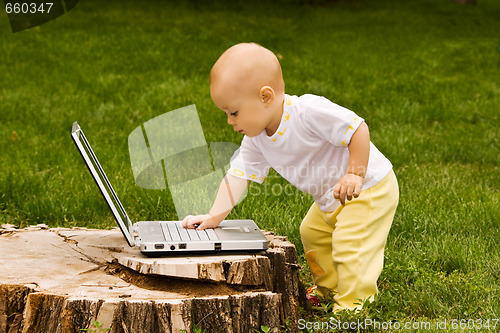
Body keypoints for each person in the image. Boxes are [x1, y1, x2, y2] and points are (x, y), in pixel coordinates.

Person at [182, 42, 399, 311]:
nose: (230, 121)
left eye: (234, 112)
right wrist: (214, 217)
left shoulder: (307, 112)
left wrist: (355, 174)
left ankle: (353, 306)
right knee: (313, 232)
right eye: (226, 114)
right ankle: (328, 289)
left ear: (265, 97)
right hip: (332, 198)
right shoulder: (257, 139)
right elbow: (238, 177)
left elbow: (357, 129)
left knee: (350, 245)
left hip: (368, 188)